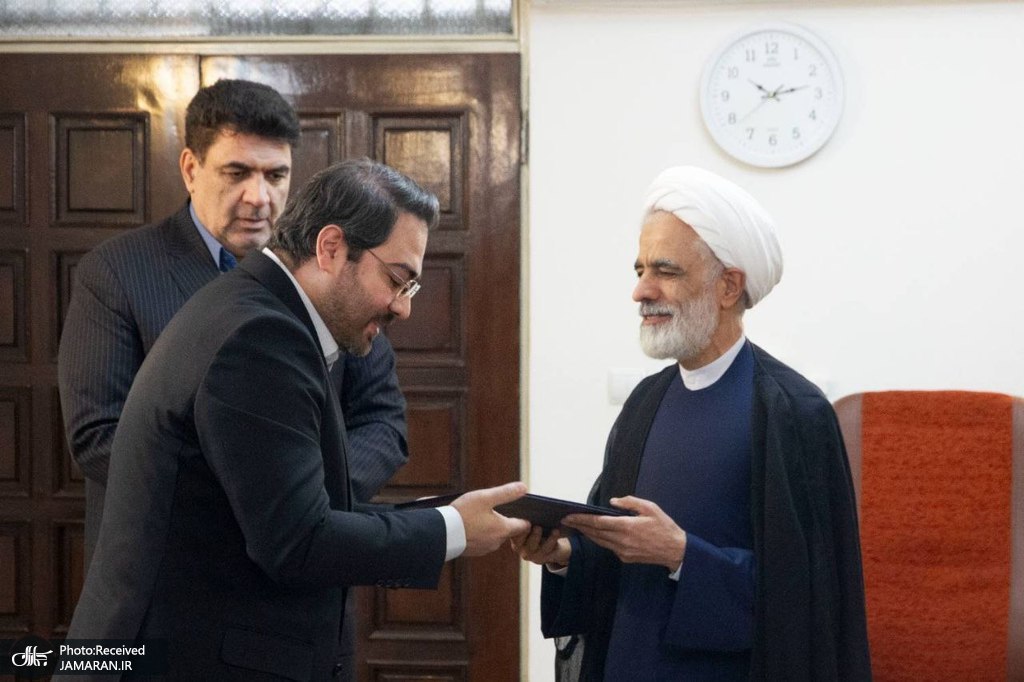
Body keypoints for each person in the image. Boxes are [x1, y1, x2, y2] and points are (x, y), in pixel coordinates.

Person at [65, 158, 531, 680]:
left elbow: (282, 508)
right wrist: (451, 530)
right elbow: (298, 543)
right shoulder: (262, 337)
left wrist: (433, 517)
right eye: (397, 280)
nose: (403, 308)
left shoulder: (250, 307)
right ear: (330, 248)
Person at [57, 79, 407, 677]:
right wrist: (261, 489)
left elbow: (383, 420)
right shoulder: (116, 272)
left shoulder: (328, 278)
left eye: (276, 175)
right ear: (191, 169)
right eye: (237, 172)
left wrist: (304, 493)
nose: (259, 197)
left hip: (300, 606)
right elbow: (96, 436)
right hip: (164, 604)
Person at [514, 166, 871, 680]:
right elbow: (617, 548)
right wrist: (565, 554)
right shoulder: (645, 402)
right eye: (640, 270)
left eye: (666, 271)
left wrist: (682, 555)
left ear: (728, 286)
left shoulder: (793, 412)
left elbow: (809, 601)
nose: (641, 291)